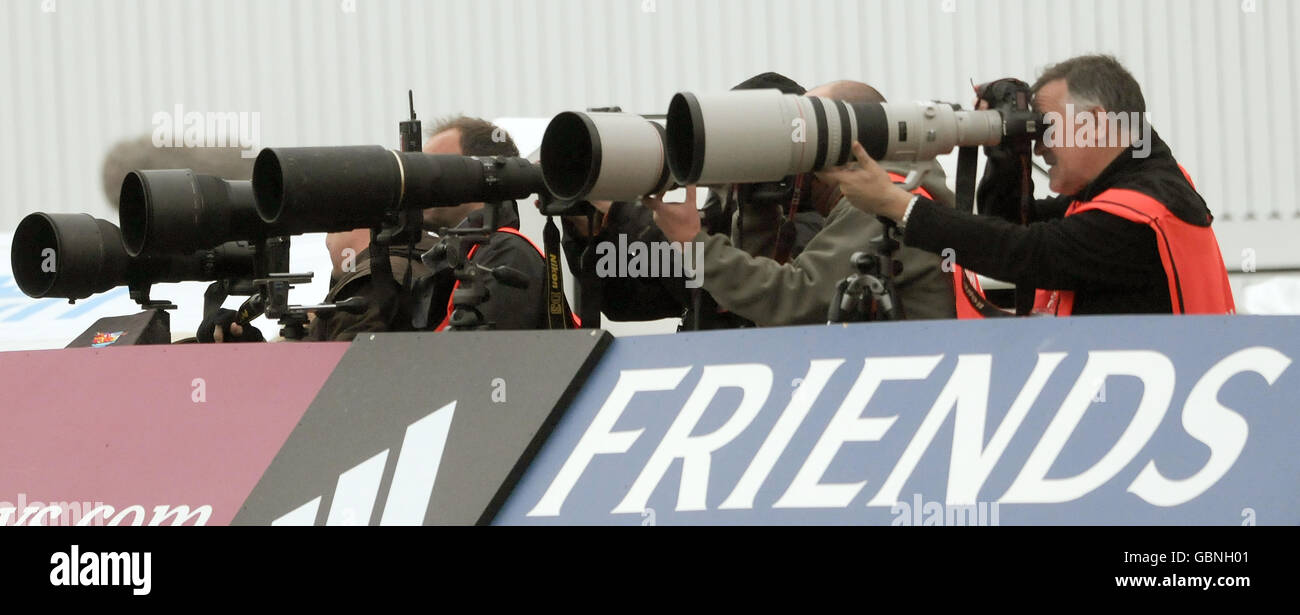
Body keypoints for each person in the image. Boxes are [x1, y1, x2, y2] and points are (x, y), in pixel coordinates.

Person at [822, 55, 1235, 316]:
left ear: (1095, 123)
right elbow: (1011, 224)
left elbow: (1025, 252)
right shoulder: (1143, 183)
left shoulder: (1142, 214)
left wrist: (897, 204)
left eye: (1048, 127)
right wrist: (1006, 150)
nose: (1040, 144)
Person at [203, 116, 553, 342]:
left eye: (436, 169)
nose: (422, 180)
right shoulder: (442, 260)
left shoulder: (507, 254)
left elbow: (459, 373)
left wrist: (367, 265)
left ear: (480, 175)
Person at [644, 80, 959, 326]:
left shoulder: (880, 208)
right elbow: (772, 315)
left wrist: (693, 243)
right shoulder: (899, 195)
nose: (798, 158)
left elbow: (791, 301)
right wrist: (757, 211)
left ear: (846, 142)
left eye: (807, 134)